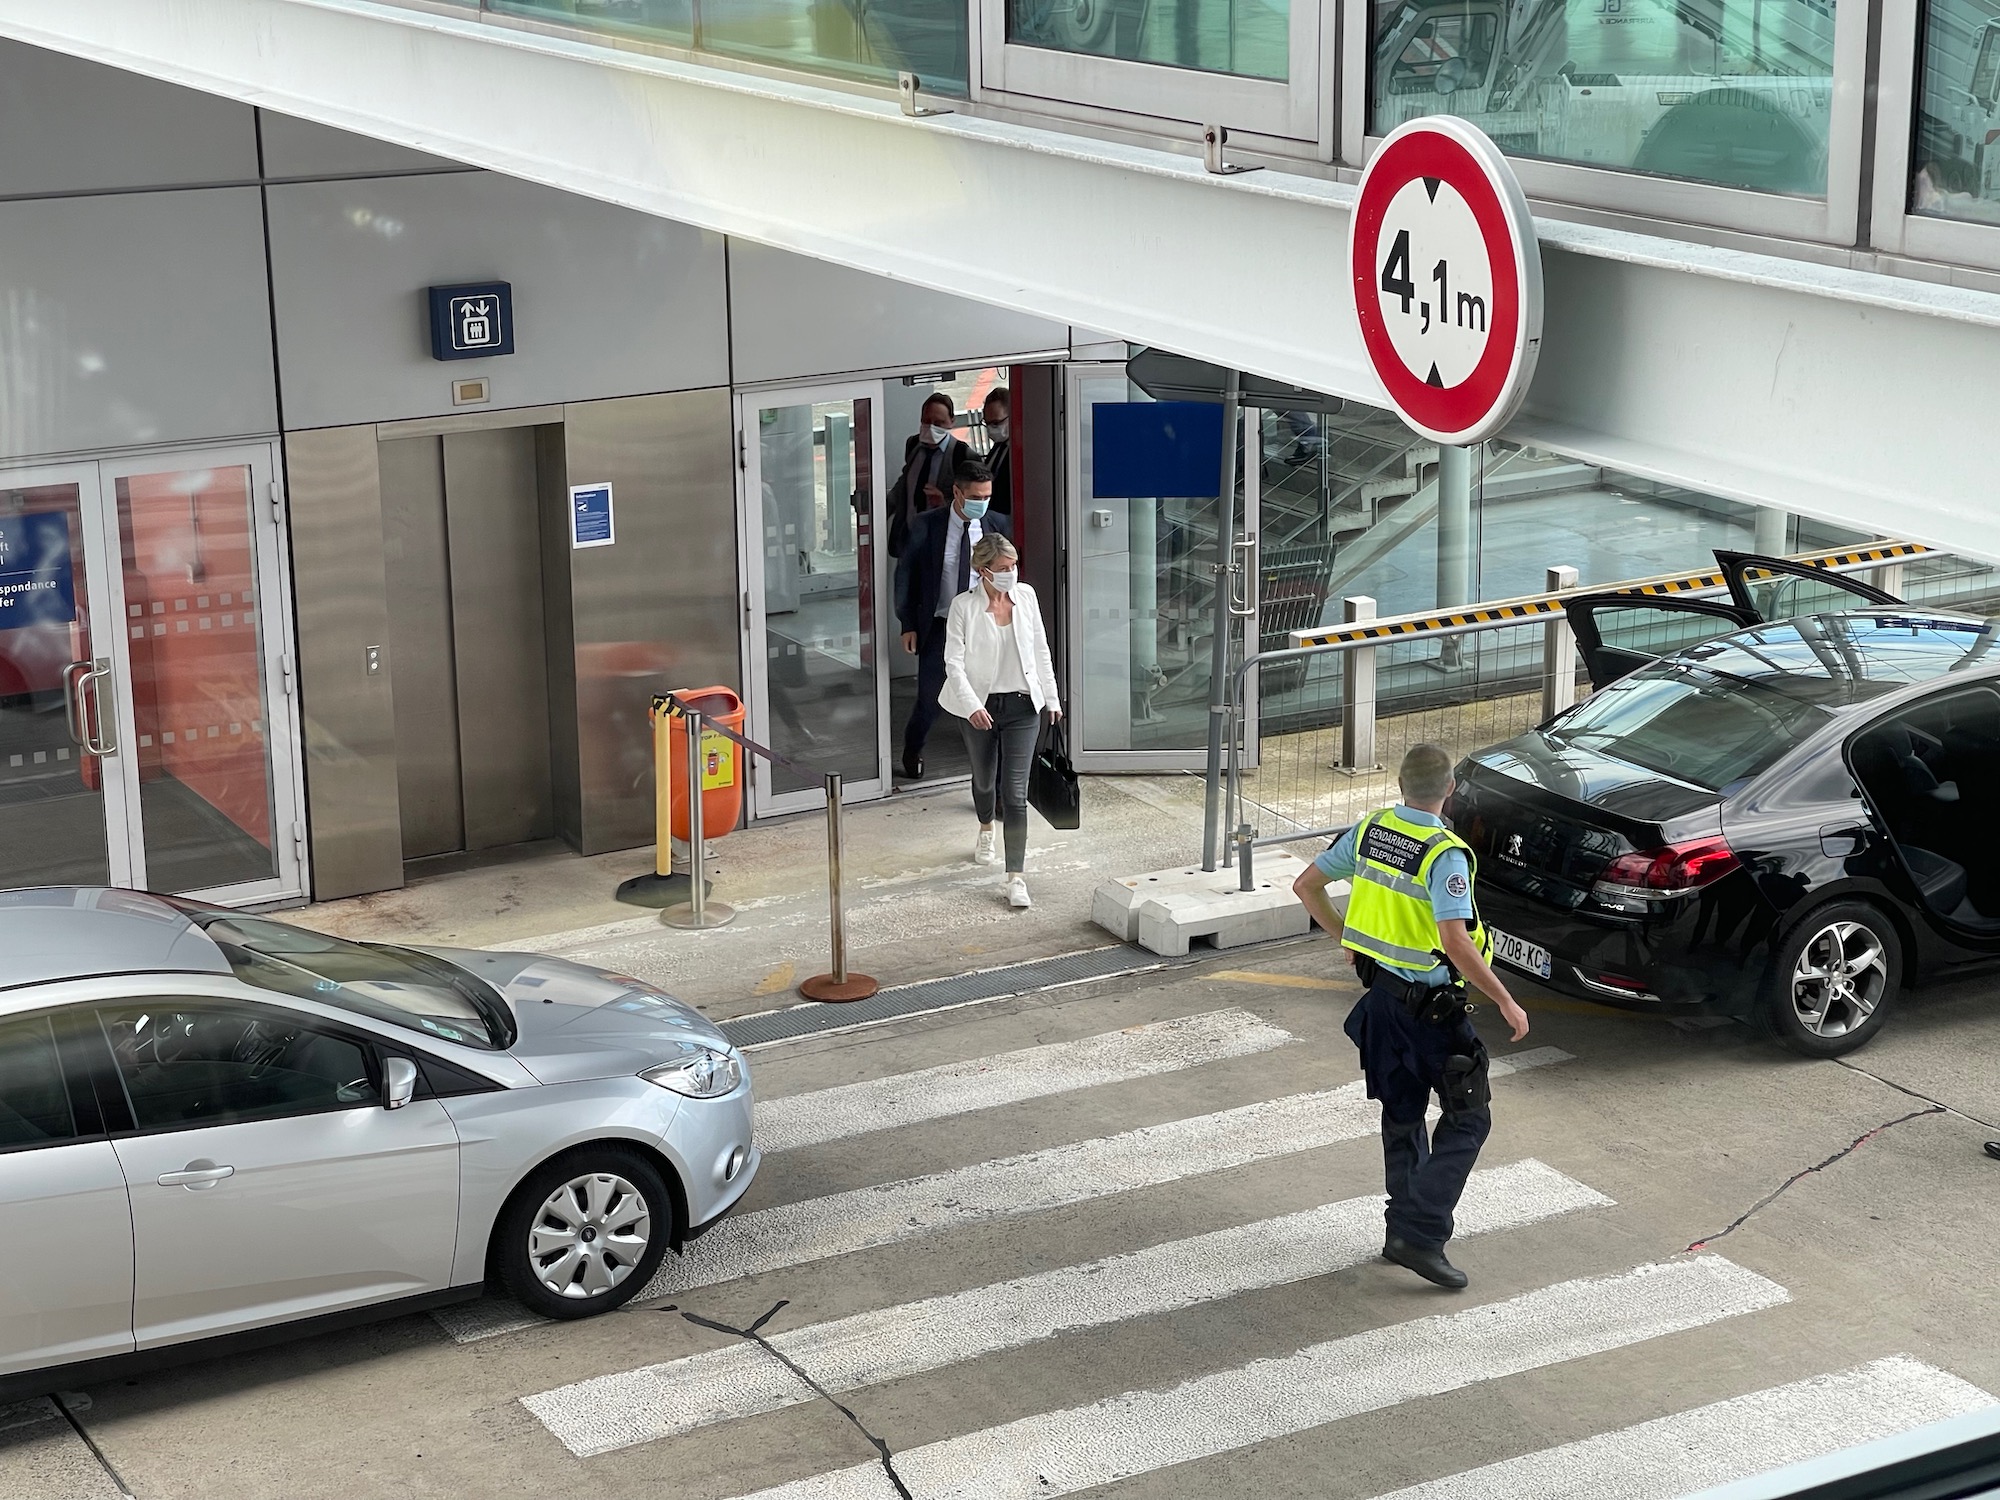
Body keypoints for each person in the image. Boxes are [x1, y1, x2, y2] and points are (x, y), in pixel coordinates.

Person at [1292, 743, 1531, 1291]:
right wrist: (1504, 1000)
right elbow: (1455, 940)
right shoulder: (1444, 852)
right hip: (1431, 1013)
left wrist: (1347, 937)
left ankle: (1401, 1230)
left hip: (1381, 1004)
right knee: (1470, 1119)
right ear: (1450, 790)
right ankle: (1419, 1235)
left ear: (1401, 785)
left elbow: (1306, 885)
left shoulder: (1373, 829)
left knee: (1402, 1116)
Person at [941, 531, 1060, 909]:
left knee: (1016, 794)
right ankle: (985, 827)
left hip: (1024, 707)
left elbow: (1040, 649)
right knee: (983, 780)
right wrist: (972, 704)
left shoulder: (1026, 597)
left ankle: (1016, 877)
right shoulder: (963, 607)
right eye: (1003, 568)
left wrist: (1052, 698)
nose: (1012, 573)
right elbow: (953, 663)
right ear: (982, 570)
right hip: (979, 708)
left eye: (1014, 566)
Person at [894, 460, 1012, 781]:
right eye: (976, 497)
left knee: (990, 698)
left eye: (987, 497)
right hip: (940, 626)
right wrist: (907, 623)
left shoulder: (998, 525)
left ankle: (991, 776)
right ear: (957, 493)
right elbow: (906, 575)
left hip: (985, 627)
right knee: (930, 697)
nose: (982, 504)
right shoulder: (926, 525)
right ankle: (913, 748)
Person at [888, 393, 964, 557]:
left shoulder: (961, 454)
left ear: (951, 422)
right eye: (926, 421)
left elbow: (970, 503)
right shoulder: (914, 444)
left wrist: (944, 502)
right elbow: (904, 482)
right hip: (908, 540)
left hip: (938, 543)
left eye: (939, 423)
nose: (931, 428)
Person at [981, 385, 1012, 514]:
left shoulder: (1025, 452)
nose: (991, 429)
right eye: (987, 423)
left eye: (996, 423)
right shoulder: (998, 448)